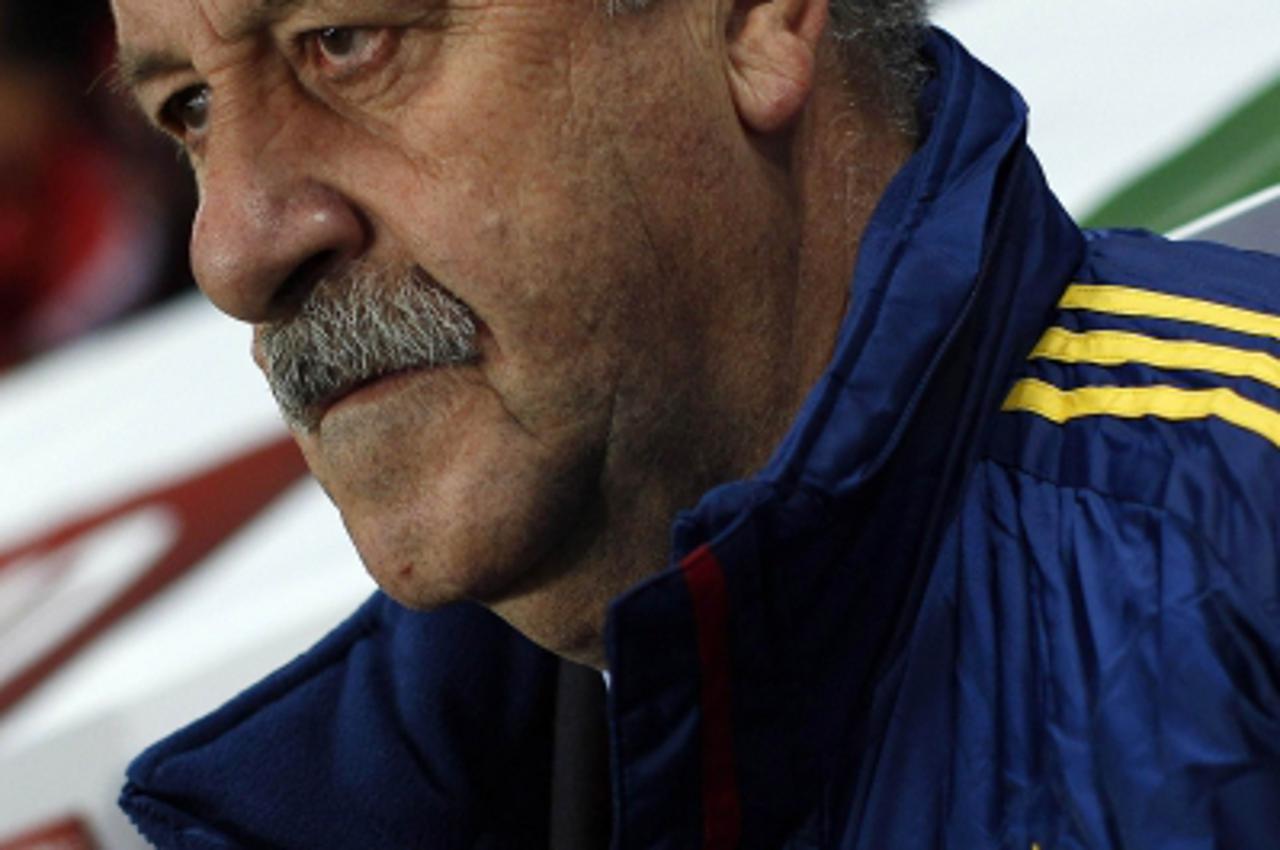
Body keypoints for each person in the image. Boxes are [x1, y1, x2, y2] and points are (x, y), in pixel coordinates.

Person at [110, 0, 1280, 845]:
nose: (235, 249)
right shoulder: (320, 800)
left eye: (347, 41)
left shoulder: (1242, 558)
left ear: (755, 20)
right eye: (192, 109)